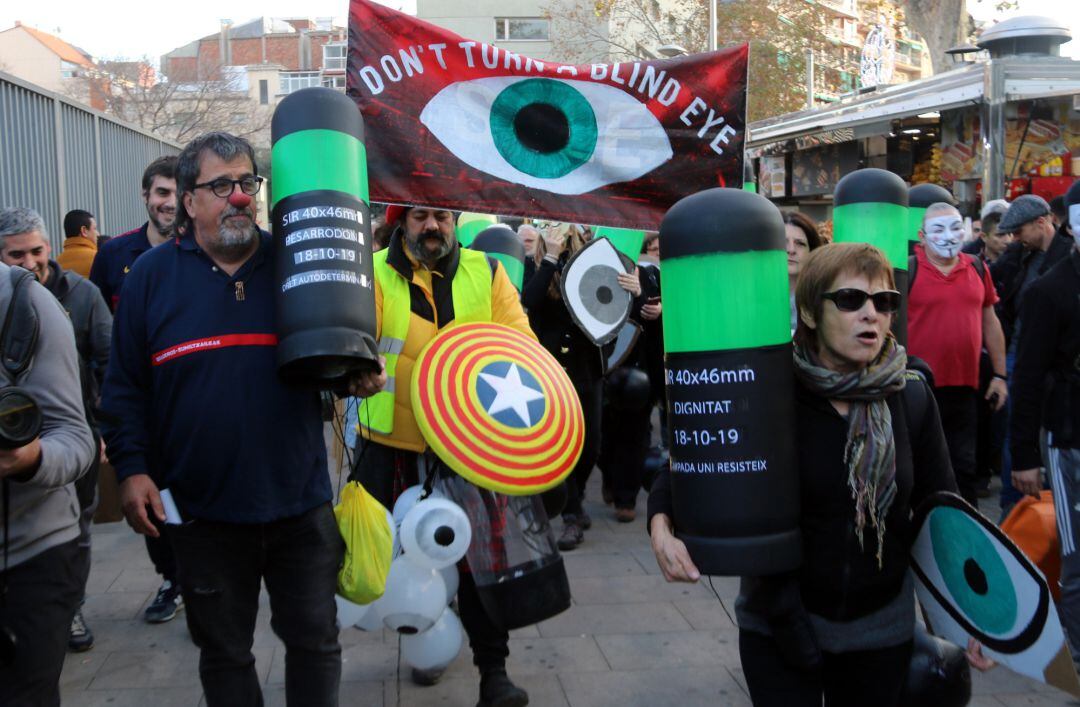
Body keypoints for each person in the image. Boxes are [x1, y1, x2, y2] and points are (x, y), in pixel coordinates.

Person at [649, 242, 991, 706]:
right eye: (851, 300)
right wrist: (661, 527)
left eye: (884, 302)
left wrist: (971, 619)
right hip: (779, 620)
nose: (871, 314)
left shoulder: (909, 396)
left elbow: (943, 513)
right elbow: (694, 463)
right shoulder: (768, 391)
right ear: (809, 313)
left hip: (880, 629)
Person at [101, 132, 349, 706]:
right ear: (189, 201)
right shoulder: (149, 280)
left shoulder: (296, 266)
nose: (239, 197)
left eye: (247, 184)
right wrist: (133, 470)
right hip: (203, 514)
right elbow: (125, 388)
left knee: (316, 643)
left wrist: (354, 373)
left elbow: (337, 354)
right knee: (225, 651)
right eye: (220, 186)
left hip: (299, 504)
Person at [350, 204, 534, 707]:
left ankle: (493, 671)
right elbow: (358, 336)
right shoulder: (371, 273)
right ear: (400, 223)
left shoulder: (488, 271)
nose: (432, 227)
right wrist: (357, 367)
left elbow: (522, 346)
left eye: (442, 217)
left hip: (469, 449)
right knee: (402, 564)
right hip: (392, 445)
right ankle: (427, 650)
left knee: (481, 565)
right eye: (419, 217)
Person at [0, 209, 112, 653]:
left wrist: (102, 429)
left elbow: (110, 358)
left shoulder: (82, 294)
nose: (28, 262)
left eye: (36, 251)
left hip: (76, 436)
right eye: (15, 254)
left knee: (79, 525)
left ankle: (72, 607)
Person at [89, 155, 184, 624]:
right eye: (160, 192)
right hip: (138, 411)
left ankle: (202, 581)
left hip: (187, 405)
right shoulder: (112, 257)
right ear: (145, 197)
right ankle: (172, 579)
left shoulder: (201, 253)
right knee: (150, 504)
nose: (168, 203)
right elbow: (94, 341)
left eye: (174, 191)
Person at [523, 223, 641, 550]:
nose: (552, 228)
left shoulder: (594, 263)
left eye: (557, 222)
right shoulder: (534, 266)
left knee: (591, 447)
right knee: (561, 447)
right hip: (551, 374)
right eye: (545, 224)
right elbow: (530, 299)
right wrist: (549, 260)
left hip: (588, 370)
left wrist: (634, 289)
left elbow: (617, 311)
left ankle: (574, 495)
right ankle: (572, 515)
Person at [1010, 182, 1080, 670]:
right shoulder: (1049, 291)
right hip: (1072, 439)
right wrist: (1026, 457)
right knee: (1078, 563)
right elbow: (1028, 378)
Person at [907, 203, 1008, 505]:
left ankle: (965, 532)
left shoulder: (977, 268)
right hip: (918, 389)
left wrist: (1001, 375)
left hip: (966, 388)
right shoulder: (907, 270)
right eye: (938, 229)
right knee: (921, 469)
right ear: (922, 236)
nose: (948, 236)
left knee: (963, 468)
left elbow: (990, 321)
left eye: (955, 228)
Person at [991, 195, 1074, 515]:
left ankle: (1047, 504)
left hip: (1053, 360)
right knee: (1018, 424)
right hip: (1019, 353)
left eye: (1019, 230)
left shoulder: (1067, 259)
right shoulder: (1018, 257)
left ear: (1042, 222)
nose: (1014, 238)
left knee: (1047, 431)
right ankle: (1014, 507)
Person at [90, 155, 178, 313]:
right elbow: (98, 327)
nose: (172, 203)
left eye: (179, 194)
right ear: (145, 195)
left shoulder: (206, 253)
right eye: (163, 193)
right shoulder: (111, 254)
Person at [783, 212, 823, 332]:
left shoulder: (821, 299)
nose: (791, 250)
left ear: (812, 251)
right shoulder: (754, 297)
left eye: (800, 243)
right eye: (783, 241)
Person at [58, 209, 100, 278]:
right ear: (84, 231)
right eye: (95, 228)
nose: (98, 234)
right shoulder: (97, 258)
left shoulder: (57, 263)